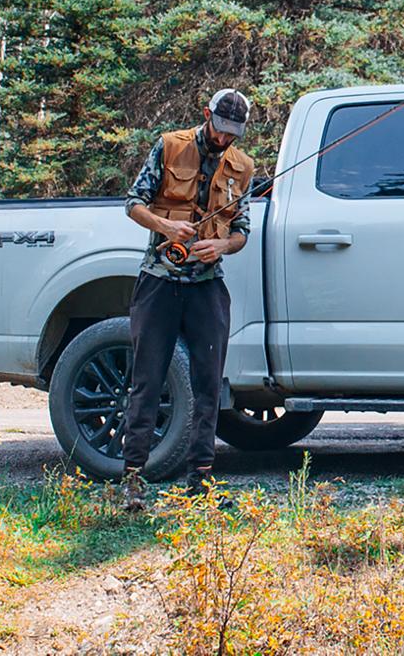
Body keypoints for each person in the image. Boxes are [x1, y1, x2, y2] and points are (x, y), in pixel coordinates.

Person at [118, 89, 255, 511]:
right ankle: (132, 480)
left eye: (233, 133)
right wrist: (164, 226)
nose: (223, 139)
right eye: (219, 129)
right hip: (159, 281)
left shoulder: (243, 167)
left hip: (207, 286)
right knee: (147, 381)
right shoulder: (169, 145)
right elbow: (133, 204)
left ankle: (202, 479)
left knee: (208, 385)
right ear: (206, 115)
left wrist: (222, 248)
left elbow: (242, 230)